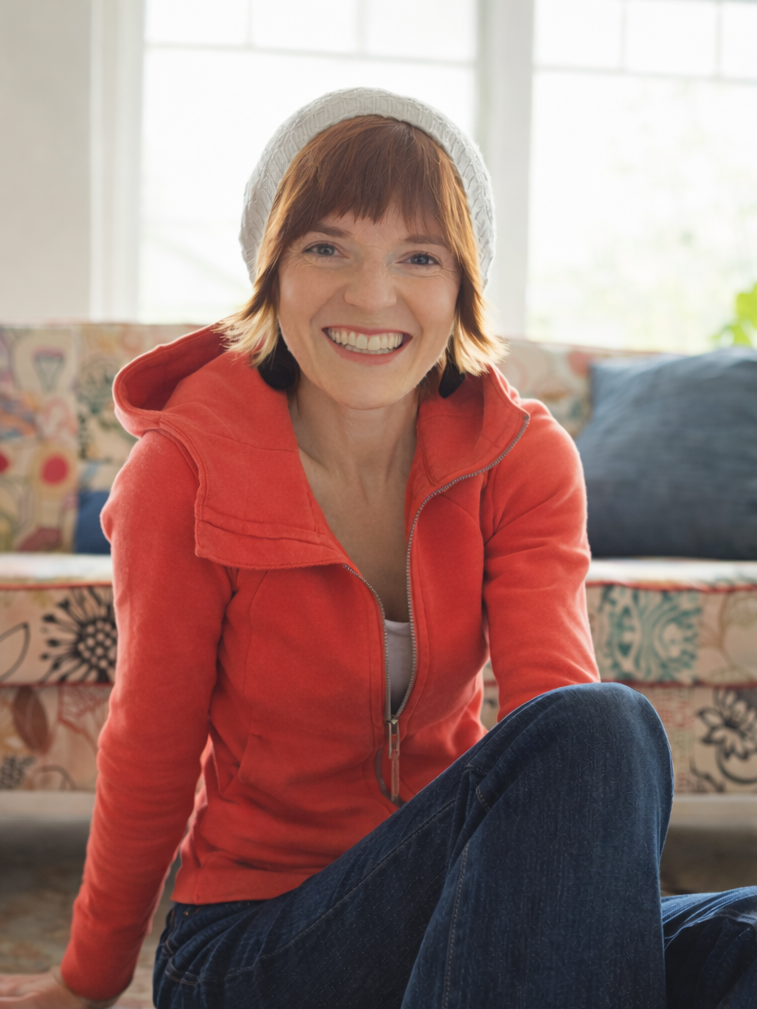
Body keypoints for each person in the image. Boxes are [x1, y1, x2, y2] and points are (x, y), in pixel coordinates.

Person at [1, 88, 756, 1009]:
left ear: (459, 286)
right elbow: (150, 744)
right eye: (327, 247)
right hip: (255, 939)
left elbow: (553, 715)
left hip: (460, 897)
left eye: (418, 256)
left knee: (641, 787)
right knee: (607, 727)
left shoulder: (520, 456)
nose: (372, 293)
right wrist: (88, 979)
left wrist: (572, 907)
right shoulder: (180, 472)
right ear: (270, 267)